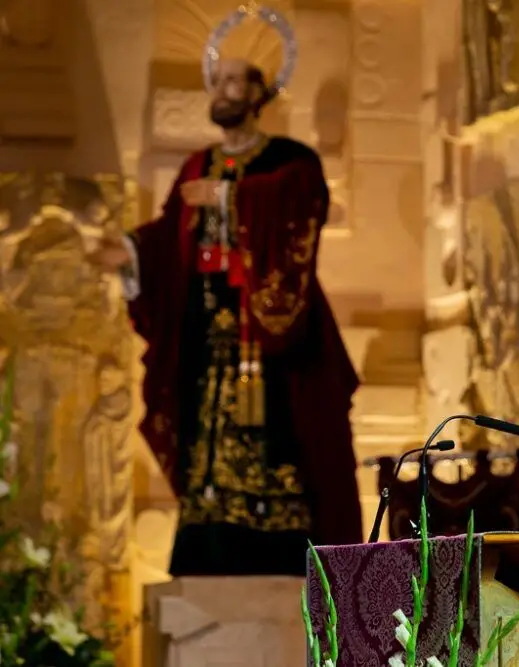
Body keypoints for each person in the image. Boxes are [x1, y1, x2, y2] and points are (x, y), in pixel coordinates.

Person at [90, 56, 362, 576]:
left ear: (259, 94)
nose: (222, 90)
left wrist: (229, 196)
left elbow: (302, 201)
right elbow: (169, 236)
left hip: (273, 337)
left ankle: (283, 537)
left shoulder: (290, 160)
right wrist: (131, 253)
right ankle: (208, 535)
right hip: (208, 329)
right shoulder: (197, 166)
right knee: (206, 434)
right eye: (216, 82)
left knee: (283, 431)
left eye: (234, 81)